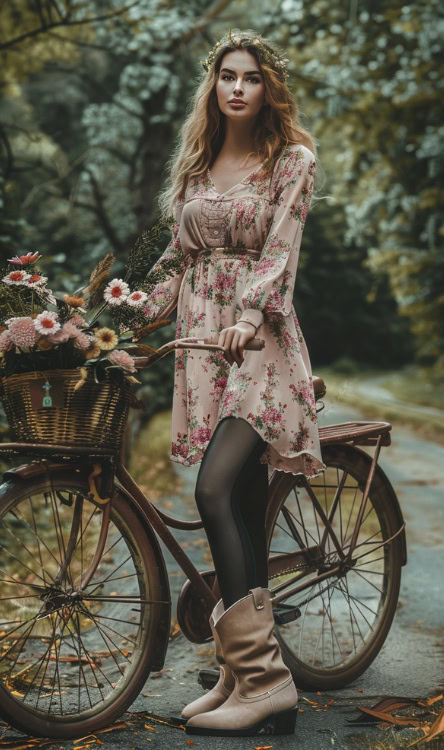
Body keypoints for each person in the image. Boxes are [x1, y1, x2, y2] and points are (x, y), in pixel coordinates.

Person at [142, 28, 327, 737]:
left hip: (259, 349)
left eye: (251, 76)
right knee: (244, 508)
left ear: (268, 87)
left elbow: (279, 252)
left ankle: (268, 682)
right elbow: (173, 262)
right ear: (213, 86)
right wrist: (115, 323)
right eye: (227, 76)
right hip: (202, 350)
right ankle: (239, 671)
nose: (238, 87)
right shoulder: (197, 164)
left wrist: (249, 314)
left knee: (214, 490)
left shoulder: (291, 162)